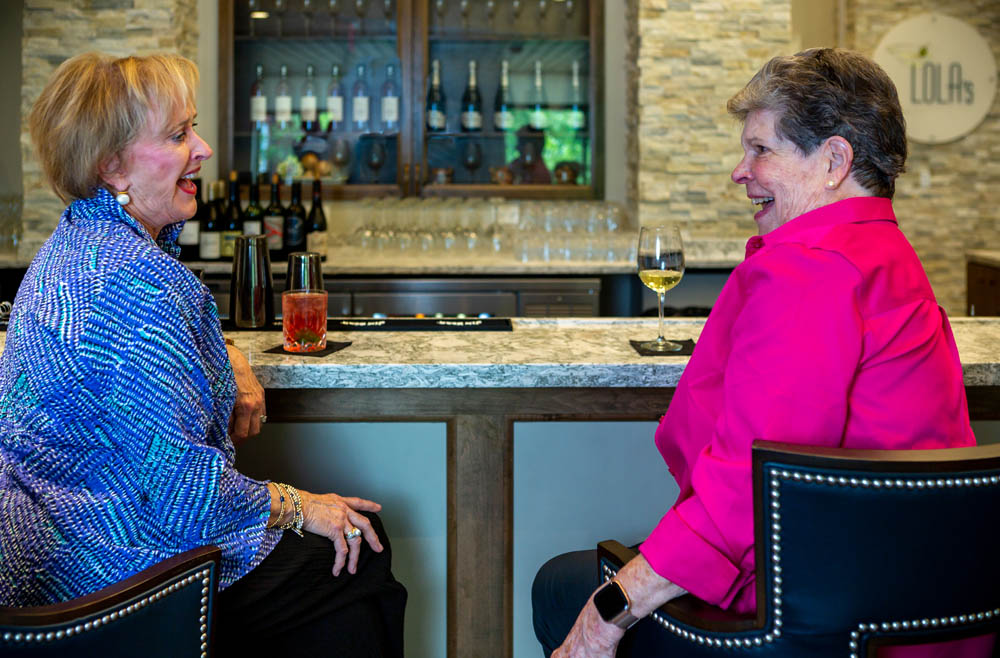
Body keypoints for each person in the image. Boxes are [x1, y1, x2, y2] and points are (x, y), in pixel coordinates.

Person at [532, 48, 994, 658]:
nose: (739, 171)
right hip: (929, 608)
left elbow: (746, 484)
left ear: (833, 160)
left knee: (563, 587)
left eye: (761, 149)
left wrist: (607, 613)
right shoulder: (883, 249)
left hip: (823, 621)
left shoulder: (811, 269)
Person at [0, 52, 406, 656]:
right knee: (358, 550)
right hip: (115, 572)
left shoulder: (74, 246)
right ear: (113, 165)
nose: (205, 148)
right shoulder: (139, 279)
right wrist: (301, 506)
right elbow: (187, 494)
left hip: (45, 555)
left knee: (342, 562)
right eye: (178, 134)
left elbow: (140, 372)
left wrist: (231, 355)